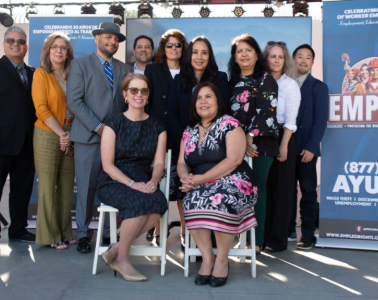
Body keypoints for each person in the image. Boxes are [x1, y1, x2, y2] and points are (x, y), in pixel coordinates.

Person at [177, 82, 258, 287]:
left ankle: (222, 260)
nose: (203, 101)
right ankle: (207, 259)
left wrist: (198, 180)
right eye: (199, 98)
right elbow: (181, 162)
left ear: (218, 101)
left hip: (235, 180)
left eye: (208, 96)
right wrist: (186, 179)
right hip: (200, 183)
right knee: (191, 199)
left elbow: (234, 160)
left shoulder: (230, 123)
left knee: (221, 199)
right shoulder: (189, 131)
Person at [67, 22, 132, 253]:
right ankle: (83, 235)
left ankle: (107, 234)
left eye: (116, 39)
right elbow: (74, 101)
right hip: (89, 138)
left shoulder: (126, 68)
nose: (113, 42)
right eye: (108, 37)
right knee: (86, 188)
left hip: (118, 141)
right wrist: (99, 128)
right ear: (97, 38)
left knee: (112, 188)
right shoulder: (80, 65)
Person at [97, 73, 168, 281]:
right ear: (125, 95)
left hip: (142, 177)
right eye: (134, 90)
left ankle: (116, 249)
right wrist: (130, 183)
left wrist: (154, 182)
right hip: (113, 180)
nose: (139, 94)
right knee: (137, 202)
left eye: (144, 91)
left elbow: (159, 163)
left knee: (159, 203)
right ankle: (122, 260)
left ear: (148, 96)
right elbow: (107, 165)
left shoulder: (157, 126)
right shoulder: (113, 123)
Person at [227, 34, 279, 253]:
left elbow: (267, 111)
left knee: (256, 190)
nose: (244, 54)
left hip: (260, 146)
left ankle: (255, 241)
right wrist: (238, 141)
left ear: (257, 54)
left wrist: (249, 139)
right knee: (238, 190)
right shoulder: (231, 82)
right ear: (235, 57)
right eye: (239, 51)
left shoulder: (266, 79)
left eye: (248, 50)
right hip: (236, 146)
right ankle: (241, 236)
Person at [144, 29, 188, 247]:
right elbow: (145, 104)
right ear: (163, 48)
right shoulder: (152, 70)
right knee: (157, 184)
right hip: (157, 136)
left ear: (183, 49)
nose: (173, 49)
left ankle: (184, 232)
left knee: (181, 188)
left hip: (182, 136)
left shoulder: (188, 72)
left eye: (178, 45)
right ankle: (158, 231)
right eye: (169, 45)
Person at [0, 26, 36, 252]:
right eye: (10, 40)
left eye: (20, 41)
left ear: (26, 46)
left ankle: (18, 229)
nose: (15, 44)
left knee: (21, 190)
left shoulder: (32, 72)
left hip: (28, 143)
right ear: (4, 44)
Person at [32, 32, 75, 250]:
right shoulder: (41, 74)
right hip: (48, 134)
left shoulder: (74, 74)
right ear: (48, 50)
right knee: (48, 187)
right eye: (54, 46)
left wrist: (69, 135)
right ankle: (50, 235)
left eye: (63, 47)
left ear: (68, 52)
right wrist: (61, 135)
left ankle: (66, 232)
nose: (59, 50)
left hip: (71, 134)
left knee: (67, 187)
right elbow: (41, 109)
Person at [288, 44, 329, 250]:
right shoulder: (284, 84)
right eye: (300, 57)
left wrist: (312, 147)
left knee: (308, 191)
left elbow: (321, 120)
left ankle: (307, 234)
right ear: (293, 59)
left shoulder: (318, 87)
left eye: (308, 58)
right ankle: (286, 230)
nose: (303, 61)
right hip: (285, 147)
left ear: (312, 63)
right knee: (286, 191)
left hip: (306, 148)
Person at [262, 41, 301, 253]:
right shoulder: (260, 81)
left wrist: (284, 144)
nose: (276, 60)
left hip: (284, 136)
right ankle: (261, 236)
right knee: (264, 190)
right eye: (272, 56)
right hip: (262, 137)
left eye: (280, 57)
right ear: (266, 58)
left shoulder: (290, 85)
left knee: (283, 190)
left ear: (285, 60)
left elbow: (291, 119)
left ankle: (277, 239)